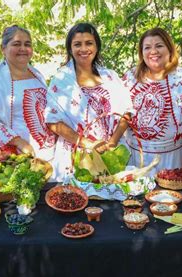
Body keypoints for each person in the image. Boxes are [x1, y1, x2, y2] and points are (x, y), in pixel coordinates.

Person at [45, 23, 133, 181]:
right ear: (70, 49)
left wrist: (112, 142)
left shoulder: (111, 77)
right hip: (75, 157)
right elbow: (52, 122)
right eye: (77, 44)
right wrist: (87, 143)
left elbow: (126, 112)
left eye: (89, 43)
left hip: (111, 155)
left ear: (97, 46)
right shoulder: (62, 80)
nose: (84, 49)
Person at [122, 28, 182, 176]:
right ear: (141, 53)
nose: (153, 51)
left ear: (169, 49)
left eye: (159, 46)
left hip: (173, 158)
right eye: (147, 47)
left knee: (170, 196)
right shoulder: (130, 78)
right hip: (136, 157)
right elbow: (121, 114)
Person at [0, 25, 55, 162]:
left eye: (27, 44)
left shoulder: (37, 75)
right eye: (16, 44)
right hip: (18, 157)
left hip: (49, 153)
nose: (23, 48)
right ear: (3, 49)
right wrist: (19, 142)